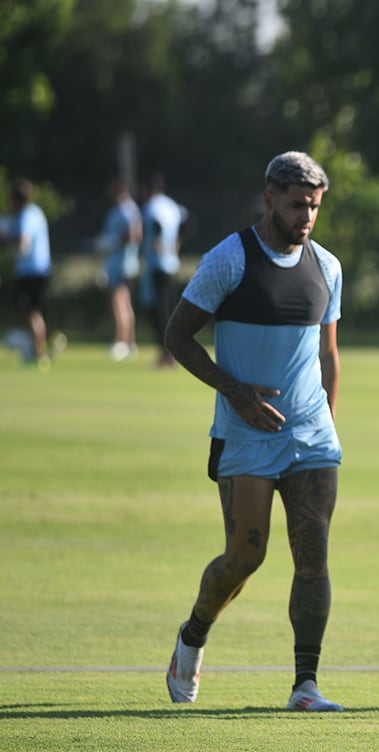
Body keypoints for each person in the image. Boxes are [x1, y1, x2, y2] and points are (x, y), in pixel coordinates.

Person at [163, 151, 345, 712]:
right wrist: (235, 392)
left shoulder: (328, 267)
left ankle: (305, 686)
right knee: (246, 555)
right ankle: (193, 636)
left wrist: (327, 429)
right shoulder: (229, 259)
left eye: (314, 206)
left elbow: (329, 354)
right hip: (244, 435)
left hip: (311, 437)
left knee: (312, 552)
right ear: (269, 199)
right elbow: (178, 336)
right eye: (296, 205)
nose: (306, 216)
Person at [3, 179, 60, 368]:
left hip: (32, 271)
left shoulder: (26, 215)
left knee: (31, 311)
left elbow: (23, 242)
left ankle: (39, 352)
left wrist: (4, 242)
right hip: (38, 270)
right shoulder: (34, 213)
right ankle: (46, 341)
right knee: (30, 311)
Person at [140, 172, 189, 367]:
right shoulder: (171, 205)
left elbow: (156, 226)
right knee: (169, 308)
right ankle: (170, 352)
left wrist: (157, 245)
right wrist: (177, 243)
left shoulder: (151, 206)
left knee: (159, 311)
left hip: (157, 264)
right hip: (171, 263)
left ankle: (166, 353)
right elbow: (188, 221)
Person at [95, 177, 142, 360]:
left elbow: (134, 234)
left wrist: (113, 242)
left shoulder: (128, 210)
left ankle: (122, 342)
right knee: (122, 304)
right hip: (114, 264)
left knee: (120, 303)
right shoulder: (117, 211)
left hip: (124, 264)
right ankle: (128, 342)